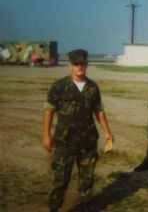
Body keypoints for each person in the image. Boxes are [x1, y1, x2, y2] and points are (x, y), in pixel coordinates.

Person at [42, 49, 114, 212]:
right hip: (64, 141)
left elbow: (98, 110)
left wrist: (107, 132)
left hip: (87, 141)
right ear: (70, 65)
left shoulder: (92, 87)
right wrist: (46, 135)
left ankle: (84, 206)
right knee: (60, 179)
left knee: (87, 178)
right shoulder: (59, 86)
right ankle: (54, 208)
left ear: (87, 65)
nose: (79, 66)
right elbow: (49, 110)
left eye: (82, 63)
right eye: (76, 64)